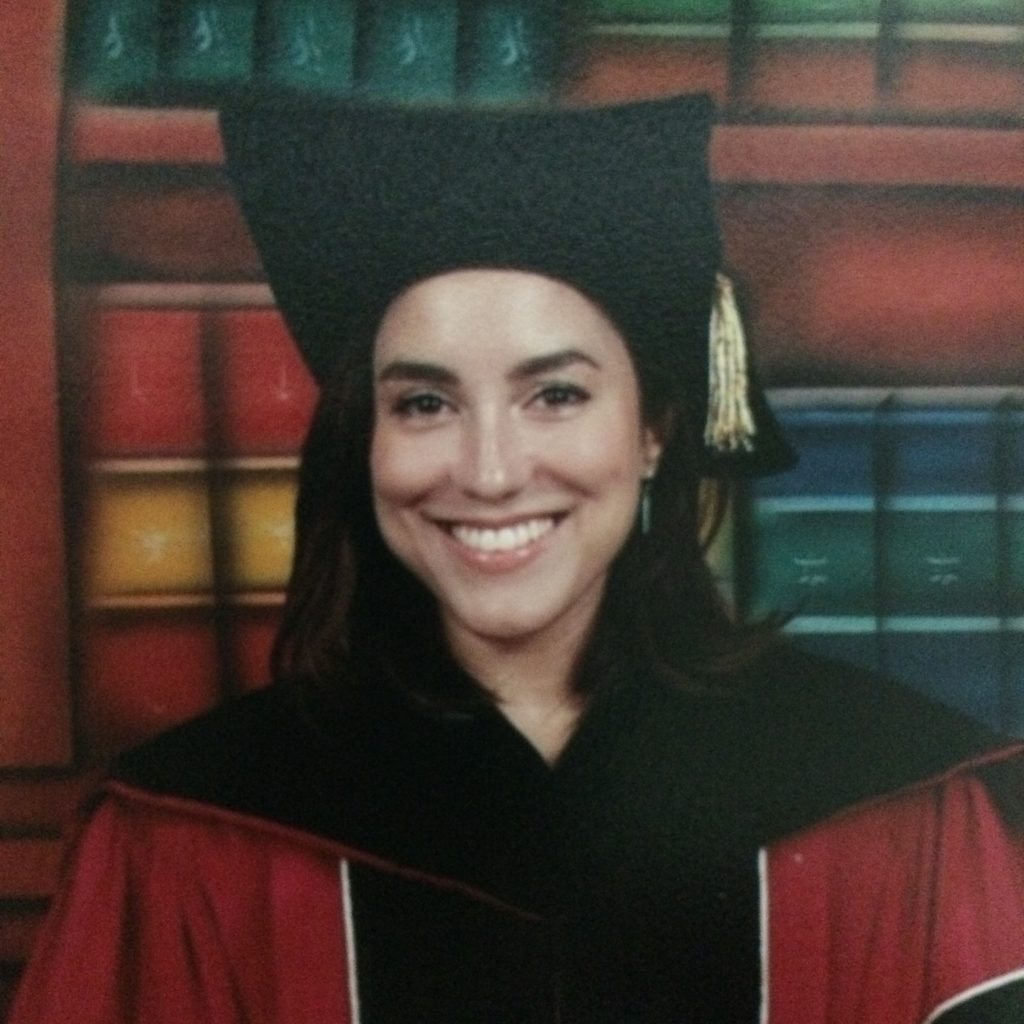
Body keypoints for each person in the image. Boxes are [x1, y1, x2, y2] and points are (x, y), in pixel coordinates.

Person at [11, 92, 1024, 1023]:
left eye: (556, 394)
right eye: (424, 403)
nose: (489, 473)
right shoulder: (194, 833)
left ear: (656, 430)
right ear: (365, 442)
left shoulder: (900, 804)